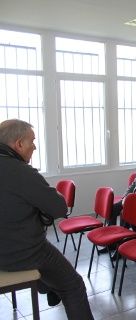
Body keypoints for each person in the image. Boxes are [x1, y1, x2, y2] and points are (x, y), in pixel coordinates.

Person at [0, 119, 93, 320]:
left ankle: (50, 287)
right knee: (74, 285)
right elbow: (60, 207)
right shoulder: (20, 171)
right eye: (32, 141)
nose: (34, 147)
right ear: (18, 145)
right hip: (22, 252)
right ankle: (53, 287)